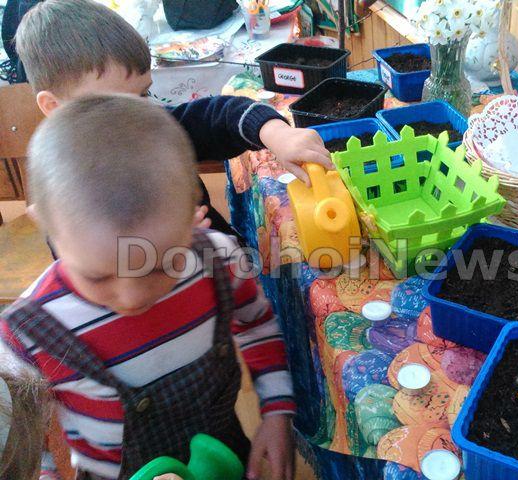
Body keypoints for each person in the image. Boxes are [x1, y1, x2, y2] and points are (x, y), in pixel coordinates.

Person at [0, 95, 296, 480]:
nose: (132, 297)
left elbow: (256, 324)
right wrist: (44, 472)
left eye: (161, 265)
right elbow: (20, 426)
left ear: (193, 214)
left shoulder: (218, 258)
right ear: (47, 224)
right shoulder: (24, 332)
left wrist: (276, 411)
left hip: (220, 458)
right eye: (98, 276)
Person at [13, 0, 332, 245]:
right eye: (111, 105)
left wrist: (276, 133)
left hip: (224, 273)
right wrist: (163, 246)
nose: (136, 113)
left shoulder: (152, 129)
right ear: (54, 107)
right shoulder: (65, 197)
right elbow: (100, 284)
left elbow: (222, 115)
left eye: (143, 94)